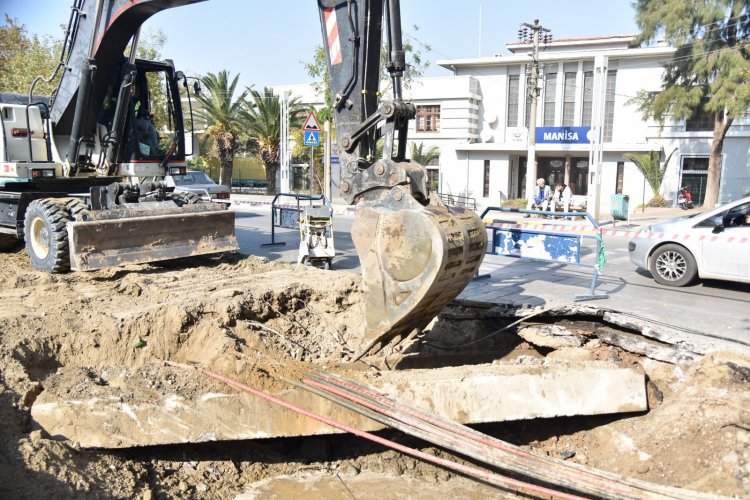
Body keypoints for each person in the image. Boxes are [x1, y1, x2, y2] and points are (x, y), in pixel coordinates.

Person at [131, 86, 159, 154]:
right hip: (127, 122)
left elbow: (140, 113)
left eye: (134, 89)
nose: (132, 91)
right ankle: (152, 151)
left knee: (151, 127)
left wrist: (148, 115)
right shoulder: (120, 99)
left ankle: (155, 148)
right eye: (130, 89)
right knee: (143, 126)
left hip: (135, 121)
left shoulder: (136, 101)